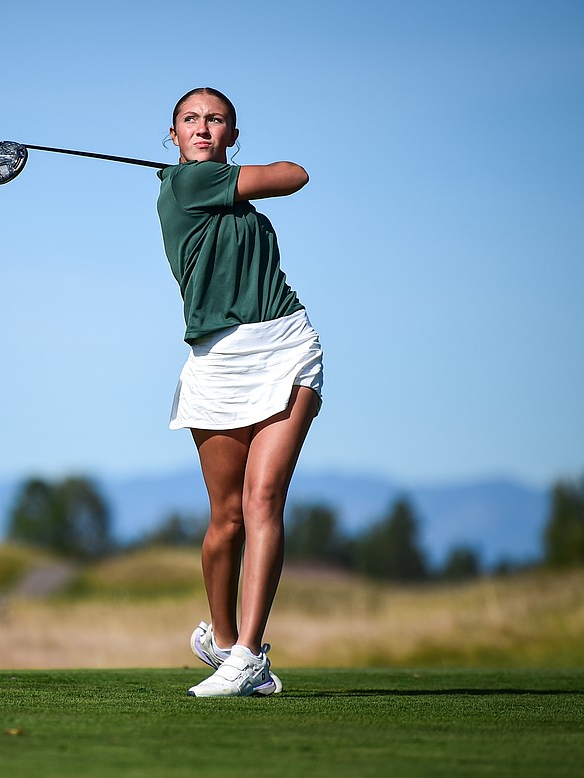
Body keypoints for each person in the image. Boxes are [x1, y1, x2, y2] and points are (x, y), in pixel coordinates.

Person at [156, 87, 323, 697]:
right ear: (171, 134)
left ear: (232, 133)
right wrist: (220, 169)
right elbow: (289, 174)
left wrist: (230, 170)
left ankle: (248, 655)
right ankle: (224, 643)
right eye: (191, 120)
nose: (203, 127)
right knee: (225, 519)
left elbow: (297, 176)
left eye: (216, 120)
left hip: (284, 346)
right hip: (216, 362)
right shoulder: (183, 187)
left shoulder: (222, 185)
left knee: (262, 501)